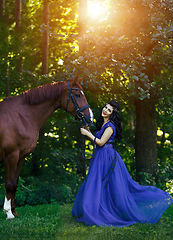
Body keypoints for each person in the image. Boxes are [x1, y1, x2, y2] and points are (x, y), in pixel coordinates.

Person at [72, 100, 173, 227]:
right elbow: (97, 138)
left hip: (106, 158)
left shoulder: (110, 126)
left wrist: (87, 134)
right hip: (100, 157)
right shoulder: (104, 123)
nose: (105, 110)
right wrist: (88, 131)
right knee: (98, 183)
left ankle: (106, 211)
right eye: (105, 107)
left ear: (112, 114)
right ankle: (96, 210)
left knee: (106, 184)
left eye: (109, 110)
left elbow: (101, 142)